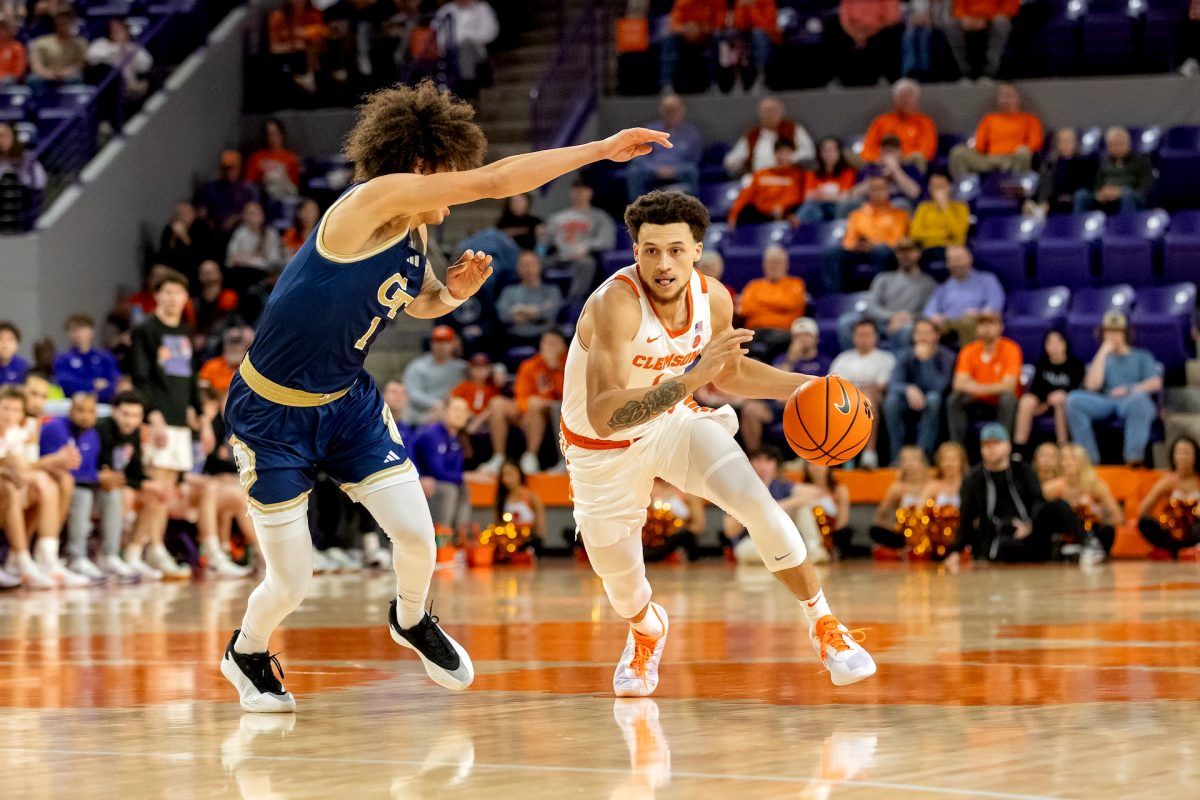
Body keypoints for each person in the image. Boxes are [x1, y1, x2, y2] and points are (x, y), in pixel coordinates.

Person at [217, 79, 671, 710]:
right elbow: (494, 183)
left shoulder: (413, 235)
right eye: (453, 173)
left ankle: (409, 617)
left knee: (418, 536)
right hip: (272, 414)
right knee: (292, 579)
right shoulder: (372, 201)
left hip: (347, 404)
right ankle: (247, 650)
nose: (459, 193)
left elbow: (422, 300)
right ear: (425, 167)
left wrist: (453, 292)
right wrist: (599, 149)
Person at [560, 189, 875, 697]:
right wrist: (693, 378)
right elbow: (606, 413)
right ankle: (646, 630)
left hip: (670, 424)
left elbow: (728, 373)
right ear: (635, 251)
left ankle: (825, 627)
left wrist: (809, 388)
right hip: (601, 449)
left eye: (676, 250)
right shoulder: (614, 305)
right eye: (651, 250)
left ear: (698, 250)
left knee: (760, 505)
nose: (664, 264)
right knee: (623, 587)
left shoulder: (714, 298)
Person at [128, 269, 201, 579]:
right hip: (158, 418)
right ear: (156, 295)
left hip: (180, 419)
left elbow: (191, 377)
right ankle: (134, 550)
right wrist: (152, 414)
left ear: (185, 298)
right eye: (167, 292)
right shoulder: (146, 330)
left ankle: (154, 548)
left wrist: (198, 414)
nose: (173, 298)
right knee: (157, 488)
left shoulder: (184, 331)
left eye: (178, 293)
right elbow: (141, 376)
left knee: (167, 489)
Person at [1066, 311, 1162, 466]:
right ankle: (1089, 461)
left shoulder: (1141, 356)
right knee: (1073, 400)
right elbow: (1092, 386)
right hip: (1107, 401)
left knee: (1140, 401)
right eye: (1109, 332)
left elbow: (1156, 383)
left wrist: (1130, 389)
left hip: (1131, 400)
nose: (1113, 336)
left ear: (1125, 333)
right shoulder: (1102, 358)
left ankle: (1134, 459)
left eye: (1117, 332)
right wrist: (1103, 352)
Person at [958, 423, 1050, 562]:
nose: (990, 449)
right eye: (985, 445)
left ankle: (1087, 547)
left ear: (1008, 446)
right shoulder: (974, 477)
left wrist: (1030, 526)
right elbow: (966, 516)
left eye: (995, 443)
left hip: (1029, 528)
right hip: (997, 535)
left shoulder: (1022, 469)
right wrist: (956, 550)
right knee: (1008, 546)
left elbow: (1038, 501)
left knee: (1058, 506)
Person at [39, 392, 106, 581]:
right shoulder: (55, 428)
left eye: (91, 411)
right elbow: (51, 467)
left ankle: (109, 556)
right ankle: (75, 556)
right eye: (80, 410)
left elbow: (90, 471)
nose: (86, 416)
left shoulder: (93, 435)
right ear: (70, 410)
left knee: (113, 494)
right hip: (56, 484)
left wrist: (102, 478)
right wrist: (97, 477)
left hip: (83, 484)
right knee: (81, 494)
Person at [738, 317, 829, 453]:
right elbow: (774, 383)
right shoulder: (783, 359)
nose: (802, 339)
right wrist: (791, 359)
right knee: (751, 410)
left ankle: (809, 459)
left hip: (809, 407)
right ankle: (755, 456)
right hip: (780, 406)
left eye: (806, 335)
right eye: (798, 336)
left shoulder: (824, 362)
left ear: (816, 339)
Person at [91, 391, 153, 580]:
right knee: (122, 495)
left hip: (118, 483)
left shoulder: (134, 433)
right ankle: (107, 554)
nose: (130, 421)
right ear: (114, 412)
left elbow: (135, 471)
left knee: (154, 497)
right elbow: (101, 467)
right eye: (125, 414)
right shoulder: (101, 429)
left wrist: (150, 484)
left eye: (135, 416)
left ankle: (133, 554)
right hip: (96, 486)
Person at [836, 237, 936, 351]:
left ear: (918, 253)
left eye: (909, 251)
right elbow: (872, 308)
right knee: (845, 322)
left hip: (909, 323)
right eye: (901, 251)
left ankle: (897, 367)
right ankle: (853, 360)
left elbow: (928, 312)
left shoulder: (928, 283)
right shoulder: (883, 278)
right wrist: (893, 317)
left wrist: (908, 318)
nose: (905, 255)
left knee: (906, 329)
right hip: (880, 323)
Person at [0, 387, 56, 588]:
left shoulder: (15, 434)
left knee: (37, 487)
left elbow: (20, 467)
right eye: (6, 408)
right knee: (10, 488)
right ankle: (22, 558)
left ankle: (39, 556)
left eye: (16, 410)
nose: (10, 415)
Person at [495, 330, 567, 475]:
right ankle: (498, 457)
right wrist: (526, 412)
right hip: (532, 411)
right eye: (546, 342)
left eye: (554, 343)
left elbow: (567, 395)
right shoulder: (530, 365)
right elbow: (521, 395)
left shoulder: (569, 364)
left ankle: (531, 454)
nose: (549, 347)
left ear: (563, 347)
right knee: (497, 403)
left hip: (558, 409)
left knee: (535, 403)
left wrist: (554, 368)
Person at [883, 318, 954, 463]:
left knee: (933, 398)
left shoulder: (947, 357)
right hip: (909, 401)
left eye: (927, 333)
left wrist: (926, 361)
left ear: (936, 336)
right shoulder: (906, 355)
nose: (922, 337)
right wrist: (908, 388)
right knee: (891, 401)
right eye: (919, 333)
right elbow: (894, 383)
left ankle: (922, 457)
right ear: (914, 336)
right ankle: (897, 457)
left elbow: (940, 387)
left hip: (934, 403)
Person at [947, 310, 1021, 444]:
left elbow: (1009, 386)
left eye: (991, 323)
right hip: (976, 401)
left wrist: (975, 387)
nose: (986, 328)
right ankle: (957, 450)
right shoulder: (969, 350)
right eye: (982, 324)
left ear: (1000, 327)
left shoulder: (1011, 349)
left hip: (998, 402)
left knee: (1008, 399)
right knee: (954, 399)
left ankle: (1002, 447)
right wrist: (993, 386)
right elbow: (958, 384)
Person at [828, 319, 895, 469]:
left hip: (876, 401)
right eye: (859, 334)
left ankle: (869, 454)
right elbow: (832, 384)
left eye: (867, 334)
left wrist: (859, 390)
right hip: (845, 400)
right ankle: (845, 454)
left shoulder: (885, 359)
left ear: (875, 337)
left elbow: (883, 386)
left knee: (867, 397)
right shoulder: (843, 359)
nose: (863, 338)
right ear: (853, 337)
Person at [828, 175, 909, 292]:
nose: (878, 192)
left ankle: (881, 293)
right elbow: (848, 241)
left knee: (882, 252)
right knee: (832, 254)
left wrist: (874, 244)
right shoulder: (857, 214)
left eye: (881, 188)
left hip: (884, 251)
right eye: (874, 189)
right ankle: (835, 296)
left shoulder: (900, 215)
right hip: (860, 251)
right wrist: (857, 246)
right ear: (869, 192)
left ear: (888, 190)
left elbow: (896, 241)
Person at [1042, 443, 1120, 559]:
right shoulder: (1051, 488)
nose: (1068, 463)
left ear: (1083, 462)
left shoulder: (1096, 486)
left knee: (1108, 530)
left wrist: (1097, 511)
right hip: (1065, 535)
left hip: (1092, 530)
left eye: (1073, 458)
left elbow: (1117, 517)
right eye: (1064, 458)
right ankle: (1080, 547)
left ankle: (1092, 548)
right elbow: (1042, 519)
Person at [1013, 330, 1084, 458]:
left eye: (1058, 342)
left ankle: (1063, 447)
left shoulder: (1076, 365)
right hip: (1044, 404)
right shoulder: (1041, 364)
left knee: (1059, 400)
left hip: (1065, 406)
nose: (1054, 346)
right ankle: (1019, 449)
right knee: (1026, 400)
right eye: (1050, 342)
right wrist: (1046, 401)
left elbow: (1078, 390)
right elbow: (1036, 389)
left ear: (1065, 344)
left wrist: (1058, 396)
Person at [949, 84, 1043, 180]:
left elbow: (1035, 143)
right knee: (958, 152)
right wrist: (972, 146)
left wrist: (1018, 151)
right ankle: (964, 188)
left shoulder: (1030, 119)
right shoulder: (989, 119)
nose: (1005, 99)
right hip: (989, 158)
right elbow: (979, 146)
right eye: (1002, 96)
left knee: (1023, 152)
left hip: (1013, 158)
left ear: (1017, 99)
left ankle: (1015, 189)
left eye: (1009, 95)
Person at [544, 179, 616, 302]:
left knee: (587, 264)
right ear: (571, 193)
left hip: (582, 259)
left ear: (590, 192)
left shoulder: (600, 216)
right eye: (576, 191)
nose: (579, 194)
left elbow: (607, 240)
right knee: (531, 263)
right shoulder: (557, 217)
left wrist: (587, 246)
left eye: (582, 191)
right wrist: (541, 237)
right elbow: (545, 242)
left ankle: (573, 302)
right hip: (559, 257)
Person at [625, 93, 703, 201]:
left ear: (682, 111)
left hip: (679, 170)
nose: (671, 114)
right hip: (654, 170)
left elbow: (694, 159)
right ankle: (636, 208)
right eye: (667, 110)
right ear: (662, 111)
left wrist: (675, 170)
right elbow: (641, 156)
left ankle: (693, 208)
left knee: (692, 171)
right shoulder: (651, 130)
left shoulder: (691, 133)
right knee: (634, 170)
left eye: (674, 110)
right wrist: (655, 169)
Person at [922, 245, 1005, 344]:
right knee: (923, 327)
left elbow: (995, 303)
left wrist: (980, 313)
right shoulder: (944, 285)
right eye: (951, 260)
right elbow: (929, 308)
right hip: (948, 323)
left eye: (958, 259)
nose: (955, 264)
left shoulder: (987, 279)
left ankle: (968, 357)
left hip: (974, 321)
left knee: (968, 323)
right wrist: (934, 316)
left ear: (969, 259)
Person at [411, 396, 471, 532]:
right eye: (456, 409)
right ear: (444, 411)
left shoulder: (458, 437)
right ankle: (441, 536)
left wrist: (462, 478)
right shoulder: (432, 434)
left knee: (464, 488)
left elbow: (457, 469)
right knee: (449, 490)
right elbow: (436, 471)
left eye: (464, 411)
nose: (460, 414)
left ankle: (460, 536)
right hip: (418, 481)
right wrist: (464, 477)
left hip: (436, 481)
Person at [737, 245, 806, 361]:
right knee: (738, 338)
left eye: (778, 262)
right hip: (755, 331)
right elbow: (745, 308)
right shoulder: (753, 285)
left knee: (775, 340)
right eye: (771, 262)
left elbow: (791, 303)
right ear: (764, 265)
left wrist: (760, 302)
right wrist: (777, 305)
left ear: (787, 264)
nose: (774, 266)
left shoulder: (796, 283)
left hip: (783, 331)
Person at [1136, 436, 1200, 557]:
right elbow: (1143, 510)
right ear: (1173, 456)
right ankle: (1171, 550)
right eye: (1179, 453)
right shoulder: (1167, 481)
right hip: (1172, 532)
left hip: (1195, 531)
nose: (1182, 457)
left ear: (1195, 456)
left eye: (1186, 453)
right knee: (1145, 523)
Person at [724, 96, 814, 176]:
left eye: (773, 111)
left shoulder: (793, 129)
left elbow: (809, 152)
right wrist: (733, 163)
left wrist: (792, 158)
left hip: (787, 177)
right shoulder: (752, 134)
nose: (769, 115)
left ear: (781, 113)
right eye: (766, 111)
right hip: (759, 178)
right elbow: (733, 159)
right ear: (760, 114)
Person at [1074, 127, 1154, 215]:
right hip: (1105, 195)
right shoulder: (1102, 161)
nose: (1117, 147)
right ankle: (1078, 226)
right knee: (1081, 195)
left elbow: (1145, 188)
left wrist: (1120, 192)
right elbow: (1096, 184)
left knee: (1127, 194)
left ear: (1128, 144)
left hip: (1131, 195)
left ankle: (1125, 226)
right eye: (1112, 144)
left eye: (1120, 144)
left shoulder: (1141, 161)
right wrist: (1100, 193)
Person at [861, 79, 937, 173]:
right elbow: (868, 148)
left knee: (919, 158)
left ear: (916, 99)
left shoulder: (925, 122)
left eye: (909, 96)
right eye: (902, 96)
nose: (905, 100)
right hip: (881, 163)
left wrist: (900, 158)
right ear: (894, 99)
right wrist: (881, 159)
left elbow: (926, 152)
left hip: (908, 163)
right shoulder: (881, 121)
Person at [727, 138, 806, 227]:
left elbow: (799, 197)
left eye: (787, 153)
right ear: (775, 154)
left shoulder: (799, 175)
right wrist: (733, 216)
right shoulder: (760, 175)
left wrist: (783, 209)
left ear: (792, 154)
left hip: (785, 214)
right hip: (761, 215)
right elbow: (745, 196)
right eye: (781, 153)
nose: (784, 157)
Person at [402, 324, 468, 426]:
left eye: (446, 341)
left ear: (454, 344)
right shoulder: (417, 366)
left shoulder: (462, 367)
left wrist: (497, 369)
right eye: (437, 341)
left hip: (454, 411)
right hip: (424, 412)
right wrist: (437, 403)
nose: (441, 345)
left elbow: (482, 371)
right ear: (431, 343)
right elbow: (413, 393)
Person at [496, 250, 564, 348]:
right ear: (517, 268)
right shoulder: (509, 291)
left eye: (531, 264)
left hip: (543, 337)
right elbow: (503, 314)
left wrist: (520, 310)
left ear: (539, 266)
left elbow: (550, 312)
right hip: (514, 337)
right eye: (524, 265)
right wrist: (535, 311)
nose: (528, 268)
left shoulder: (552, 290)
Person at [868, 445, 930, 550]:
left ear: (923, 463)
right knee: (875, 531)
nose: (910, 464)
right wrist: (894, 527)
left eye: (914, 459)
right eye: (905, 460)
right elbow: (881, 514)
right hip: (904, 533)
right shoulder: (897, 487)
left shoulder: (932, 484)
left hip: (928, 532)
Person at [658, 0, 725, 93]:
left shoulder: (716, 1)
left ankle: (714, 84)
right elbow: (673, 25)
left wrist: (702, 29)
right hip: (686, 35)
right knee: (668, 40)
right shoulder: (683, 2)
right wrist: (686, 29)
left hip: (706, 34)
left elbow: (720, 22)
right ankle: (667, 84)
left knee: (718, 37)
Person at [917, 440, 967, 563]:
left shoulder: (969, 484)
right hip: (938, 543)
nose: (949, 464)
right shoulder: (932, 486)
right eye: (945, 459)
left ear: (961, 461)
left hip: (964, 539)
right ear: (939, 463)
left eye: (953, 459)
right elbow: (919, 513)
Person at [52, 314, 121, 404]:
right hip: (74, 404)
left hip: (104, 404)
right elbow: (64, 382)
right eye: (74, 331)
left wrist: (97, 394)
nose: (78, 334)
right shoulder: (62, 359)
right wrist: (92, 384)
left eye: (82, 329)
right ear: (68, 334)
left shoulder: (106, 358)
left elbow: (115, 382)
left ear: (92, 331)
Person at [433, 0, 498, 93]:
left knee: (465, 47)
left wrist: (466, 38)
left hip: (476, 50)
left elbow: (490, 32)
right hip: (449, 52)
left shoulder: (482, 9)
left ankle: (467, 85)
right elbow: (437, 35)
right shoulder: (446, 11)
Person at [942, 0, 1017, 80]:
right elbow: (958, 6)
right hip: (970, 19)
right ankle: (965, 72)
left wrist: (986, 18)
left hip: (993, 17)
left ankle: (990, 72)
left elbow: (1011, 5)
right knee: (951, 26)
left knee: (1001, 23)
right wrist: (964, 17)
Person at [832, 0, 903, 85]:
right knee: (833, 26)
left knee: (890, 33)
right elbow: (844, 19)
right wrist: (857, 36)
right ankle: (842, 78)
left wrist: (866, 34)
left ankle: (886, 76)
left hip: (878, 29)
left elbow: (891, 19)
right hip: (854, 31)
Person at [267, 0, 329, 94]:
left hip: (310, 57)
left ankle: (309, 77)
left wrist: (304, 35)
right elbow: (274, 47)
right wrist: (294, 45)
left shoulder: (313, 14)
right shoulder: (278, 16)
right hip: (286, 56)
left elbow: (322, 36)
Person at [1033, 128, 1097, 217]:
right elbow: (1046, 186)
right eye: (1063, 141)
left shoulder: (1084, 162)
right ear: (1057, 144)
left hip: (1076, 198)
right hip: (1055, 199)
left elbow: (1087, 185)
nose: (1066, 144)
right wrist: (1044, 201)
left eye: (1070, 141)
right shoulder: (1051, 164)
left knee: (1081, 196)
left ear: (1075, 143)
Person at [194, 151, 260, 234]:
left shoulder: (248, 189)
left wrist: (236, 219)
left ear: (239, 169)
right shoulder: (209, 189)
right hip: (216, 231)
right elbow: (202, 214)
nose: (229, 172)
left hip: (241, 230)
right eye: (226, 169)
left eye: (233, 169)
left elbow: (254, 213)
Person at [87, 17, 152, 97]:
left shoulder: (132, 47)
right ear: (110, 33)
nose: (122, 33)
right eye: (116, 31)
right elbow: (92, 56)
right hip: (109, 87)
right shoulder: (102, 43)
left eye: (123, 30)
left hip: (131, 86)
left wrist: (128, 51)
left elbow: (146, 65)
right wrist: (118, 49)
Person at [797, 136, 857, 224]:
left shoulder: (849, 172)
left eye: (833, 150)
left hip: (837, 208)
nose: (829, 154)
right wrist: (833, 196)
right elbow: (809, 196)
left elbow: (845, 196)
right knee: (812, 207)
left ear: (839, 152)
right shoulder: (812, 173)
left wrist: (822, 196)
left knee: (842, 206)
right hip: (818, 208)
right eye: (826, 150)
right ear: (820, 153)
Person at [645, 478, 704, 562]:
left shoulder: (690, 491)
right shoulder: (649, 489)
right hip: (657, 542)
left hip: (681, 539)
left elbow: (699, 525)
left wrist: (677, 530)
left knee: (684, 535)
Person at [226, 201, 285, 285]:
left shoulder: (271, 234)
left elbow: (274, 261)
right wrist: (257, 258)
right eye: (249, 214)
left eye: (256, 213)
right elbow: (231, 260)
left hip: (265, 274)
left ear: (262, 216)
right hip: (243, 275)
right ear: (244, 216)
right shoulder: (239, 234)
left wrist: (249, 260)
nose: (252, 217)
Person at [909, 173, 969, 255]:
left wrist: (945, 208)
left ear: (950, 187)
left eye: (940, 186)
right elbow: (915, 233)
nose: (937, 190)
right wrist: (945, 233)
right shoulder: (923, 207)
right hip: (926, 250)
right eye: (933, 186)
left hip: (951, 250)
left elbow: (959, 235)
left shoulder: (961, 207)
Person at [27, 11, 86, 93]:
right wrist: (48, 74)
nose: (63, 26)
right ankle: (41, 104)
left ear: (72, 24)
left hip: (68, 74)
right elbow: (36, 65)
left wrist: (64, 73)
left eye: (65, 23)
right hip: (46, 74)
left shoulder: (80, 43)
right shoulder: (41, 42)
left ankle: (70, 104)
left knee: (76, 78)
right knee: (34, 79)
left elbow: (79, 64)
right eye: (60, 23)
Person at [245, 118, 301, 202]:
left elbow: (295, 186)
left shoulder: (291, 158)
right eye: (268, 134)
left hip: (284, 197)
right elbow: (249, 183)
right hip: (262, 198)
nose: (272, 138)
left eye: (274, 134)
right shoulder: (257, 157)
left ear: (282, 135)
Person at [494, 459, 546, 549]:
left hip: (528, 541)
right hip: (509, 543)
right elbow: (498, 525)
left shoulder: (532, 497)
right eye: (504, 475)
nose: (507, 479)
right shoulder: (501, 499)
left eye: (510, 474)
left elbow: (540, 528)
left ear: (519, 474)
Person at [730, 0, 779, 92]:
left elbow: (765, 25)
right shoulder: (740, 2)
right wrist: (743, 8)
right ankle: (736, 80)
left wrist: (752, 7)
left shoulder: (767, 1)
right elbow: (737, 23)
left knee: (758, 35)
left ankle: (760, 79)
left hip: (768, 34)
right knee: (731, 36)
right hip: (747, 33)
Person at [187, 260, 240, 343]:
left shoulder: (229, 297)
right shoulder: (193, 303)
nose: (208, 273)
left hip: (220, 340)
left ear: (220, 274)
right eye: (204, 271)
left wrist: (206, 338)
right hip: (195, 342)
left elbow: (230, 321)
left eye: (212, 271)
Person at [198, 326, 253, 396]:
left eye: (238, 343)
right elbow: (202, 388)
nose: (233, 348)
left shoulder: (251, 370)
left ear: (246, 348)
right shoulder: (212, 366)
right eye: (230, 343)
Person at [0, 121, 47, 191]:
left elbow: (40, 181)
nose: (1, 140)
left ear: (13, 137)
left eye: (5, 136)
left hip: (23, 197)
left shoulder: (27, 157)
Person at [0, 18, 26, 86]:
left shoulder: (17, 47)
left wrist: (3, 80)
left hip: (7, 83)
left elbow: (19, 72)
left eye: (2, 29)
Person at [0, 320, 27, 385]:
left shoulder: (23, 366)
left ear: (17, 344)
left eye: (10, 339)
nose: (5, 345)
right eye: (1, 339)